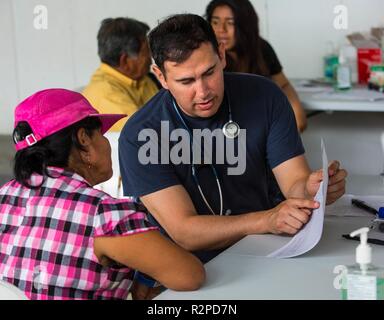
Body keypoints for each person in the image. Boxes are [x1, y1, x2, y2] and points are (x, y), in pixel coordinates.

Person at [119, 14, 347, 265]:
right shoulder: (141, 134)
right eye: (186, 81)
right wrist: (267, 220)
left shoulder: (265, 96)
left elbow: (294, 182)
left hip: (268, 248)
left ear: (222, 55)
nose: (203, 91)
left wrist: (311, 190)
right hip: (190, 267)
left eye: (209, 72)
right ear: (160, 77)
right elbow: (185, 232)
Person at [0, 89, 204, 300]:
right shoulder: (103, 215)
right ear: (84, 139)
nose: (106, 142)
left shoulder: (4, 196)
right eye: (101, 134)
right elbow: (190, 275)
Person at [83, 17, 159, 197]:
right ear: (125, 60)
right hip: (130, 185)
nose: (151, 59)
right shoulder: (104, 93)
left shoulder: (144, 80)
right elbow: (149, 136)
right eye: (146, 52)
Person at [205, 0, 307, 133]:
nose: (221, 29)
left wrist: (297, 115)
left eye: (230, 23)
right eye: (215, 22)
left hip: (262, 124)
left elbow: (283, 85)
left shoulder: (261, 48)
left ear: (245, 25)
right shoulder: (207, 55)